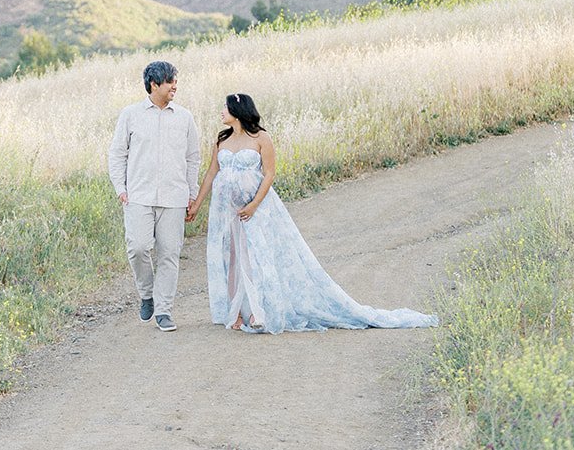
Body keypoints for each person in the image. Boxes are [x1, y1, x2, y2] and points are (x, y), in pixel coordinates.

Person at [187, 93, 438, 333]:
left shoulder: (261, 138)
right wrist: (197, 204)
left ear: (238, 111)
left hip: (256, 209)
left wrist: (254, 205)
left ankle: (258, 310)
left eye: (225, 107)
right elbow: (211, 173)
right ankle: (237, 311)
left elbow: (270, 173)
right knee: (231, 258)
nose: (221, 111)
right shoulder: (222, 140)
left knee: (256, 257)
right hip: (228, 211)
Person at [107, 60, 201, 331]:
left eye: (175, 81)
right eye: (170, 81)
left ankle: (164, 311)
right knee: (137, 247)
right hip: (138, 194)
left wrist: (192, 193)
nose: (175, 86)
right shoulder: (131, 115)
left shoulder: (184, 117)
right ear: (154, 84)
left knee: (170, 253)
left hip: (174, 196)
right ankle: (146, 294)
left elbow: (192, 158)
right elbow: (117, 154)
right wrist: (121, 188)